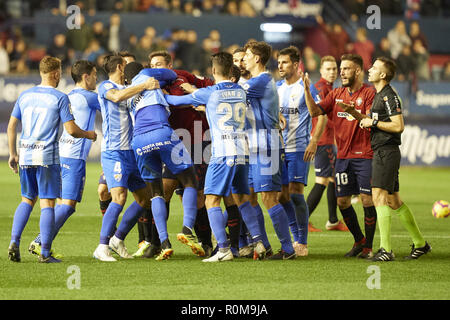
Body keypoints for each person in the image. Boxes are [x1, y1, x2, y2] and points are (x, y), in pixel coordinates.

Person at [165, 52, 287, 261]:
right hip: (243, 153)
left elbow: (175, 101)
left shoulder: (210, 93)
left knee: (212, 200)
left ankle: (223, 249)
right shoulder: (241, 90)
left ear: (213, 71)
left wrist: (153, 94)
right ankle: (259, 242)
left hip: (222, 153)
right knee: (242, 199)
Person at [7, 56, 96, 263]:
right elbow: (72, 130)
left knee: (27, 200)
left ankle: (14, 242)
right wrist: (89, 134)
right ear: (56, 73)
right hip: (47, 156)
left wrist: (13, 154)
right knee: (47, 203)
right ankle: (45, 252)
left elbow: (11, 126)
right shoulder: (60, 97)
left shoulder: (25, 95)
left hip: (26, 154)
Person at [124, 61, 205, 260]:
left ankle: (163, 242)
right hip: (162, 133)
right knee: (189, 180)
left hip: (140, 142)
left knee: (155, 194)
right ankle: (187, 229)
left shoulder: (128, 93)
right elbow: (170, 76)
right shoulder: (147, 76)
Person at [302, 54, 378, 259]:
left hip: (365, 156)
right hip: (343, 157)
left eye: (346, 68)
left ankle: (369, 247)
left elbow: (370, 122)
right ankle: (359, 240)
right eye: (341, 68)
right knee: (342, 201)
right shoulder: (336, 94)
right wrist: (307, 90)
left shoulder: (369, 94)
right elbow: (315, 112)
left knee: (366, 200)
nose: (341, 72)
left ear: (358, 71)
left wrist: (354, 112)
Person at [359, 57, 431, 261]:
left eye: (374, 67)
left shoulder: (388, 96)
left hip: (386, 151)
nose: (370, 69)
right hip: (383, 151)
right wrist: (359, 117)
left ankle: (386, 250)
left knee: (378, 196)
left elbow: (398, 125)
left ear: (383, 75)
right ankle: (420, 244)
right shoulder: (379, 95)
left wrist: (372, 122)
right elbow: (377, 121)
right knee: (392, 200)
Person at [29, 60, 101, 257]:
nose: (96, 78)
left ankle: (45, 245)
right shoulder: (90, 97)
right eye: (94, 75)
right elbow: (114, 104)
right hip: (74, 157)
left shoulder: (69, 95)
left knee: (60, 204)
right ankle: (39, 242)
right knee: (68, 206)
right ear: (85, 77)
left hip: (60, 153)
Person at [92, 54, 159, 262]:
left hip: (132, 151)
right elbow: (116, 97)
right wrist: (144, 86)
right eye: (126, 65)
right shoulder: (105, 86)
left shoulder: (132, 87)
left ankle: (118, 238)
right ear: (121, 67)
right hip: (114, 151)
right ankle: (102, 246)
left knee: (145, 198)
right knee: (119, 197)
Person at [148, 50, 215, 257]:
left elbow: (212, 87)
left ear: (169, 65)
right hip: (173, 143)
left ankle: (206, 242)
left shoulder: (182, 76)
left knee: (199, 197)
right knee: (165, 190)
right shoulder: (149, 86)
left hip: (198, 140)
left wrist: (195, 93)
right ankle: (157, 242)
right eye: (152, 64)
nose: (155, 68)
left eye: (159, 64)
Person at [242, 41, 296, 259]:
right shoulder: (255, 81)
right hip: (253, 146)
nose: (244, 58)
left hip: (267, 145)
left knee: (269, 197)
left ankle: (289, 249)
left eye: (246, 55)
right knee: (252, 196)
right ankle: (264, 246)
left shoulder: (262, 80)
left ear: (256, 58)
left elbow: (232, 93)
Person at [276, 46, 321, 257]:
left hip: (299, 147)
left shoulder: (306, 87)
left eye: (284, 62)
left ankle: (301, 242)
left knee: (295, 193)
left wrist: (314, 142)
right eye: (278, 62)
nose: (280, 66)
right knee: (281, 196)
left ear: (296, 64)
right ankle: (295, 237)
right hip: (279, 149)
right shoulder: (276, 88)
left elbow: (321, 116)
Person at [307, 55, 348, 232]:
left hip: (327, 140)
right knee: (323, 181)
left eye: (334, 69)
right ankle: (303, 220)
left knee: (331, 179)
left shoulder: (330, 88)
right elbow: (320, 115)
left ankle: (332, 220)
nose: (332, 72)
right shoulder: (320, 88)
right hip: (322, 140)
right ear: (322, 70)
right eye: (328, 69)